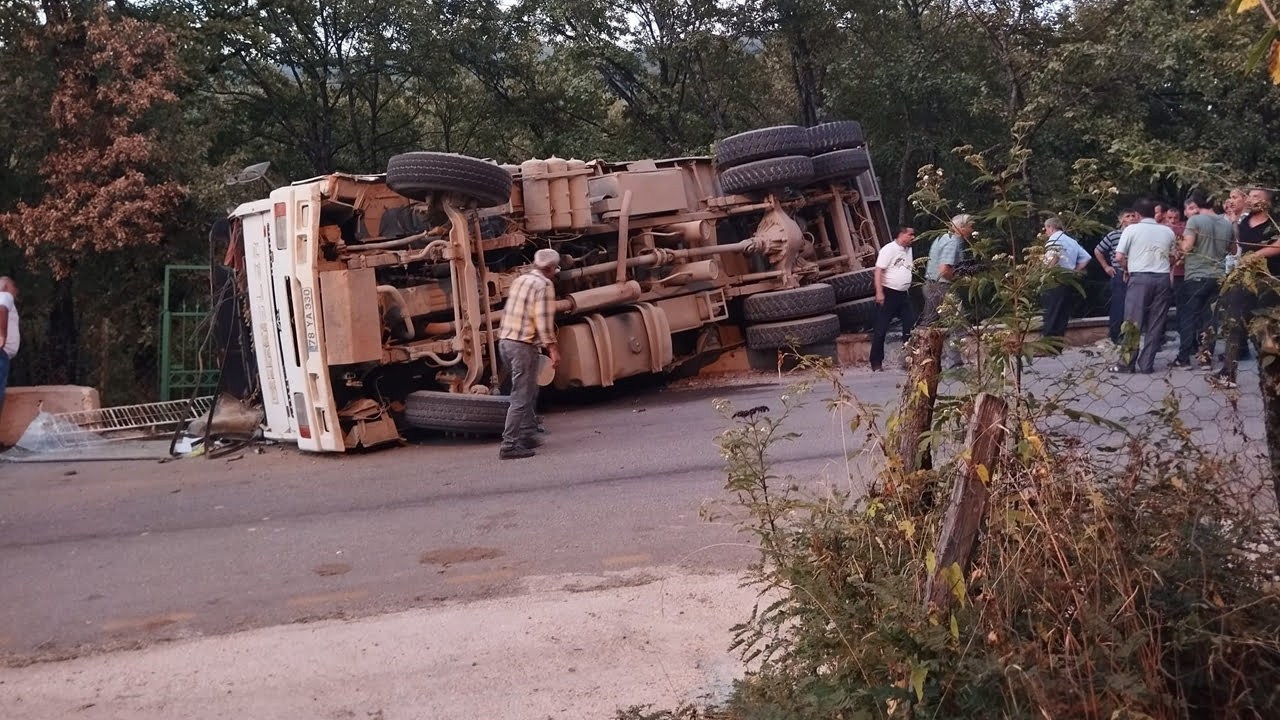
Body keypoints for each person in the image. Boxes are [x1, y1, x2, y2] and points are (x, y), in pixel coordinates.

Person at [496, 249, 561, 459]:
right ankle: (509, 445)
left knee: (529, 389)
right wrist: (552, 349)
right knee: (522, 395)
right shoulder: (544, 285)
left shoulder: (520, 280)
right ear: (551, 269)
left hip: (505, 342)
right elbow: (543, 321)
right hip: (522, 345)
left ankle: (527, 434)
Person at [1218, 188, 1279, 387]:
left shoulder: (1274, 222)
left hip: (1269, 281)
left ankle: (1272, 376)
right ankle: (1228, 373)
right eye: (1249, 196)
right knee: (1234, 322)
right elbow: (1239, 244)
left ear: (1266, 203)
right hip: (1246, 279)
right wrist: (1234, 218)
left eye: (1256, 197)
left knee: (1265, 330)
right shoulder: (1245, 221)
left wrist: (1255, 256)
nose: (1251, 200)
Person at [1112, 199, 1176, 374]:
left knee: (1133, 321)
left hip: (1139, 277)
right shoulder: (1167, 231)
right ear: (1156, 214)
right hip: (1162, 278)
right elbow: (1173, 256)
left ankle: (1127, 362)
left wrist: (1127, 268)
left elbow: (1118, 256)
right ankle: (1147, 363)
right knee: (1156, 322)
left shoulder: (1131, 229)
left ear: (1138, 214)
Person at [1174, 191, 1233, 368]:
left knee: (1188, 316)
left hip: (1196, 275)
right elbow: (1233, 250)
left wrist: (1178, 244)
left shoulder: (1195, 221)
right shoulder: (1226, 223)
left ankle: (1183, 358)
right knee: (1210, 319)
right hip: (1218, 276)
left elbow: (1187, 246)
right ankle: (1206, 359)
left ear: (1197, 205)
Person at [920, 213, 974, 368]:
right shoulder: (953, 242)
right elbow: (944, 270)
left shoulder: (943, 238)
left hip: (931, 285)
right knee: (958, 322)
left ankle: (908, 356)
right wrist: (960, 279)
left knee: (927, 324)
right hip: (941, 287)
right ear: (961, 227)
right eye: (970, 226)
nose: (972, 229)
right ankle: (954, 361)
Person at [870, 226, 917, 371]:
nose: (913, 237)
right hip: (889, 292)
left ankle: (909, 359)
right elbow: (878, 271)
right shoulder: (888, 249)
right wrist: (879, 292)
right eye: (910, 234)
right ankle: (876, 362)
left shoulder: (909, 250)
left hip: (903, 294)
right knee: (881, 329)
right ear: (901, 234)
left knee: (910, 325)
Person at [1040, 218, 1091, 341]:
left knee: (1050, 311)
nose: (1045, 232)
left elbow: (1053, 257)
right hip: (1069, 280)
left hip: (1055, 279)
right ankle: (1058, 344)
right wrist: (1074, 271)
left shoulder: (1053, 240)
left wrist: (1046, 273)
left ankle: (1048, 343)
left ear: (1051, 228)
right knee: (1062, 312)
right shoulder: (1072, 241)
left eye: (1045, 229)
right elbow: (1086, 257)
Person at [1094, 208, 1139, 345]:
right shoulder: (1114, 235)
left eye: (1133, 215)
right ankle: (1116, 335)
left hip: (1136, 273)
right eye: (1128, 216)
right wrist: (1106, 266)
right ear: (1121, 220)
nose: (1131, 218)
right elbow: (1098, 250)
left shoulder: (1139, 235)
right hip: (1119, 273)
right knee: (1119, 305)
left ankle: (1130, 334)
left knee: (1134, 306)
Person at [0, 277, 18, 422]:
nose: (16, 290)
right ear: (7, 286)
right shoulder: (5, 295)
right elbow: (2, 307)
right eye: (14, 286)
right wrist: (2, 335)